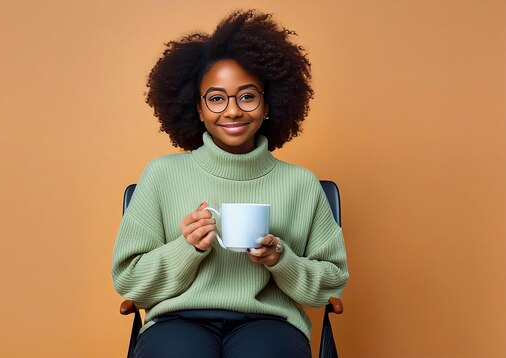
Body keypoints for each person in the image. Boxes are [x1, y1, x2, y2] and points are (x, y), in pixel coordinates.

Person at [112, 9, 348, 358]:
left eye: (247, 96)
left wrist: (280, 258)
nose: (233, 111)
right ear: (198, 108)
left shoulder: (301, 184)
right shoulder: (162, 175)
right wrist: (186, 248)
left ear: (268, 104)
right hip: (178, 320)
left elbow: (331, 281)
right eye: (217, 98)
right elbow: (129, 281)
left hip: (270, 322)